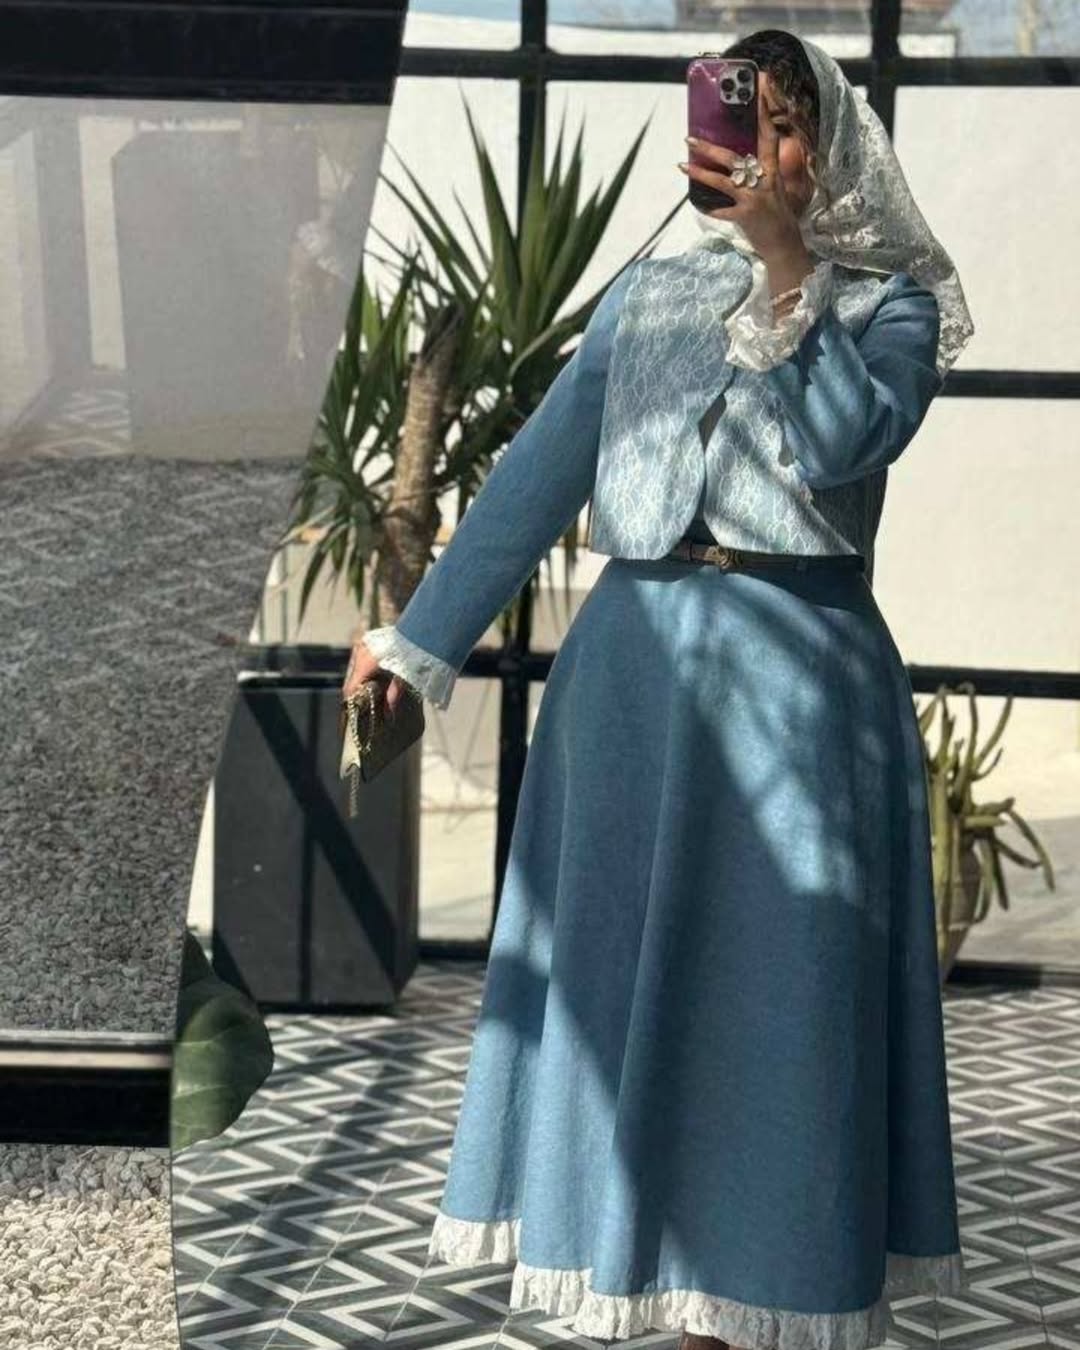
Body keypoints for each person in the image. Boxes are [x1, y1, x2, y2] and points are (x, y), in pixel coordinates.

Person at [343, 29, 974, 1350]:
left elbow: (845, 441)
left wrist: (788, 270)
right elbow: (537, 476)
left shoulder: (892, 306)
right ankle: (663, 1283)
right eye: (747, 119)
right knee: (619, 997)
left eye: (791, 126)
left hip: (805, 696)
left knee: (777, 1011)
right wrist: (415, 646)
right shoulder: (648, 295)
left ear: (832, 150)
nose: (765, 150)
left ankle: (764, 1295)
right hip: (626, 689)